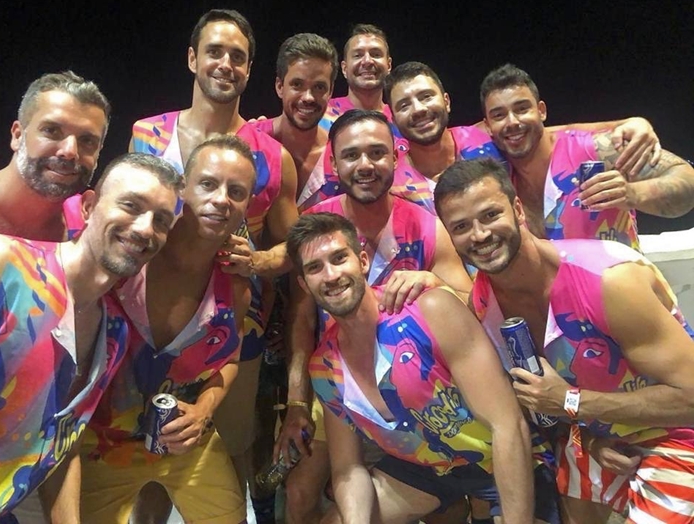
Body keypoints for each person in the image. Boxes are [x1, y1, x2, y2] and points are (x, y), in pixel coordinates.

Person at [434, 157, 694, 524]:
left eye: (490, 215)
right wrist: (591, 438)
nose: (479, 235)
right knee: (571, 463)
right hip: (603, 432)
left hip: (681, 431)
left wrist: (572, 402)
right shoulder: (483, 303)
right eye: (461, 226)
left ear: (518, 210)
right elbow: (548, 405)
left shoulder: (610, 282)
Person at [0, 153, 182, 523]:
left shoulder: (113, 334)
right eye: (131, 206)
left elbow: (60, 440)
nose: (145, 228)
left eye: (161, 220)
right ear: (88, 207)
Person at [285, 212, 559, 524]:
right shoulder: (324, 367)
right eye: (315, 268)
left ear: (362, 261)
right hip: (428, 467)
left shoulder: (428, 309)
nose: (331, 275)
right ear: (304, 284)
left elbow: (507, 425)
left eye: (339, 258)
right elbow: (349, 468)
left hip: (501, 457)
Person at [128, 8, 299, 493]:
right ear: (192, 58)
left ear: (249, 69)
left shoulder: (272, 155)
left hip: (234, 326)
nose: (226, 64)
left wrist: (260, 261)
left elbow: (299, 246)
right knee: (135, 442)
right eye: (215, 52)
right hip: (144, 317)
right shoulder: (147, 135)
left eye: (238, 56)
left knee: (232, 442)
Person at [278, 109, 474, 523]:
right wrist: (297, 401)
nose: (365, 165)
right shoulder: (316, 225)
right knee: (299, 491)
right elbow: (301, 319)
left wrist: (434, 282)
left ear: (395, 158)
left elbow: (473, 305)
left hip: (419, 381)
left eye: (376, 153)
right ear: (334, 163)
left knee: (443, 502)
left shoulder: (425, 224)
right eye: (351, 155)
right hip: (340, 380)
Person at [80, 136, 255, 524]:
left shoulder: (234, 286)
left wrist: (203, 411)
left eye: (237, 192)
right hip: (99, 444)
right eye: (208, 184)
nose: (222, 199)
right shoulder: (130, 252)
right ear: (183, 189)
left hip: (186, 445)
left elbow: (229, 359)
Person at [385, 61, 662, 214]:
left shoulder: (482, 137)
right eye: (404, 105)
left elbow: (553, 132)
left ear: (446, 101)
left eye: (426, 96)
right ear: (393, 118)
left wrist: (629, 123)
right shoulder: (391, 179)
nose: (419, 109)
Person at [479, 63, 694, 249]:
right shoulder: (492, 173)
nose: (512, 122)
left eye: (522, 109)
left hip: (623, 282)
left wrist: (633, 194)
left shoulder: (594, 149)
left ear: (541, 111)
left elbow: (685, 177)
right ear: (487, 126)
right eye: (499, 115)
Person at [0, 70, 110, 248]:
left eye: (87, 141)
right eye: (51, 130)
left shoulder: (93, 225)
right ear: (17, 135)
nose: (70, 151)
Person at [254, 32, 340, 213]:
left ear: (330, 91)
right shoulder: (251, 142)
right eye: (297, 85)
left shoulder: (341, 154)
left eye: (319, 87)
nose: (308, 97)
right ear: (279, 86)